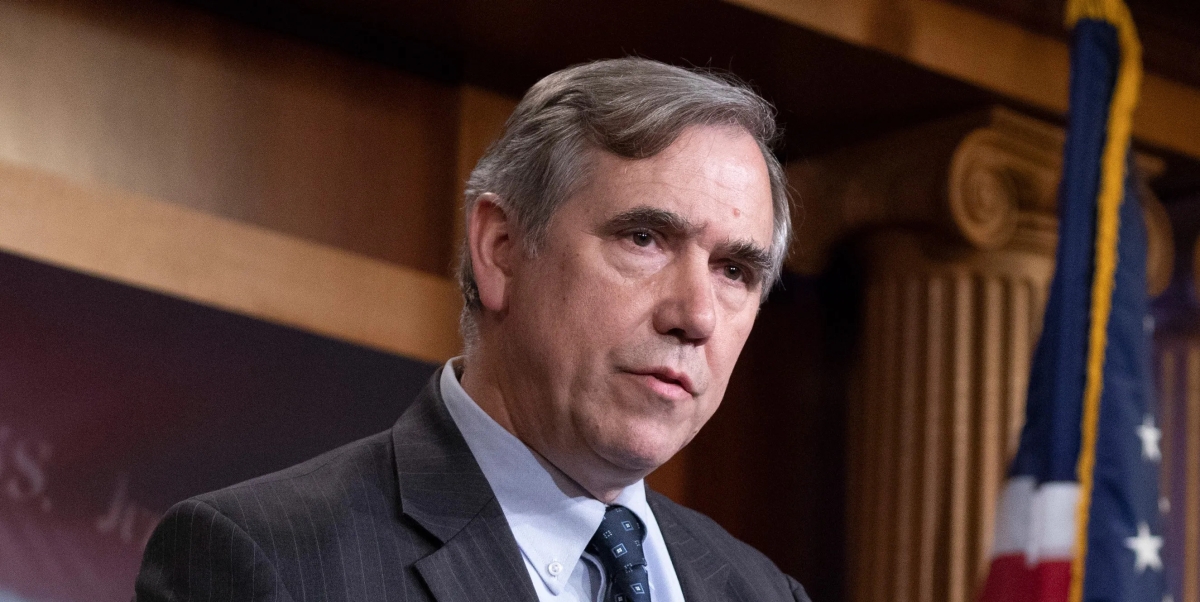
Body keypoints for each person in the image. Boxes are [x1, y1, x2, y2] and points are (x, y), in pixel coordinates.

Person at [135, 57, 809, 602]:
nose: (696, 316)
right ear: (501, 250)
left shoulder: (765, 592)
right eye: (644, 238)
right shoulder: (267, 563)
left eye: (735, 271)